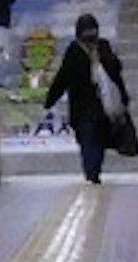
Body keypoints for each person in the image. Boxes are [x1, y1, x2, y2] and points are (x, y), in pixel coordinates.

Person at [42, 9, 130, 184]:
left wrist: (99, 58)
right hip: (90, 107)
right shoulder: (81, 50)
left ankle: (92, 174)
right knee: (93, 140)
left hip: (92, 107)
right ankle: (93, 173)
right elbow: (64, 76)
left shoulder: (97, 48)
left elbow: (114, 71)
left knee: (91, 141)